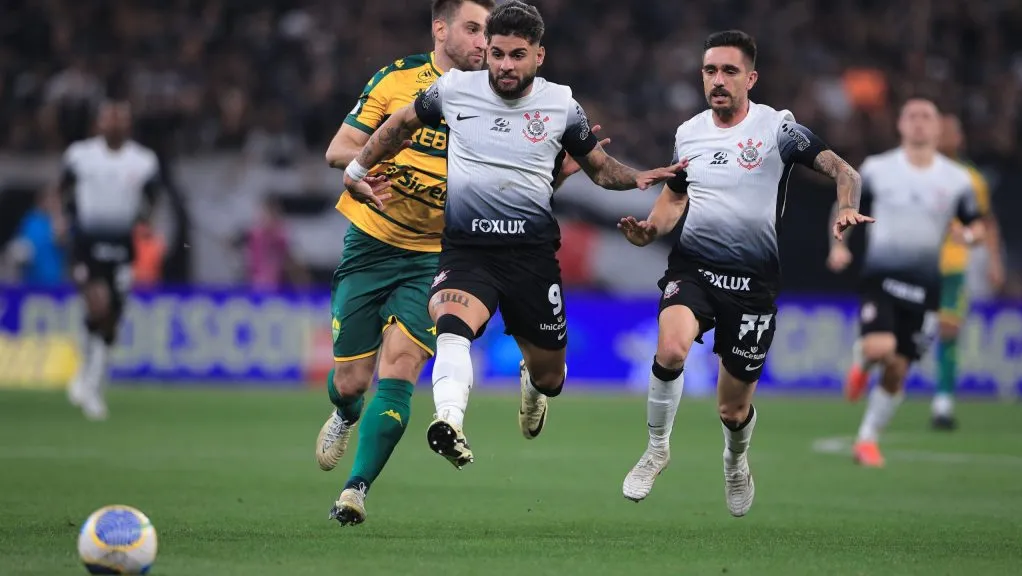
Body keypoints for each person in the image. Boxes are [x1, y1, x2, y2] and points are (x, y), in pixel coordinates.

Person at [342, 0, 681, 473]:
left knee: (551, 375)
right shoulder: (455, 89)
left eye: (516, 55)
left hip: (531, 259)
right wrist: (356, 169)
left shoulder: (561, 104)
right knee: (451, 328)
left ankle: (535, 385)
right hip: (467, 252)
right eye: (497, 53)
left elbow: (601, 170)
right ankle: (449, 420)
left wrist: (641, 177)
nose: (504, 65)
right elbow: (398, 125)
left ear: (538, 56)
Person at [319, 0, 607, 526]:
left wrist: (558, 174)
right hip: (373, 241)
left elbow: (519, 184)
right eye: (473, 30)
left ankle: (355, 491)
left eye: (489, 34)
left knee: (403, 363)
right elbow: (341, 149)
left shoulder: (503, 94)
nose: (483, 43)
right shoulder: (398, 82)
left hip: (442, 252)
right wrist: (376, 167)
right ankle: (344, 411)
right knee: (351, 382)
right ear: (440, 29)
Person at [615, 30, 871, 517]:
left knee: (731, 410)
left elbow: (845, 172)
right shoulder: (689, 133)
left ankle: (735, 461)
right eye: (710, 70)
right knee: (670, 348)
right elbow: (675, 197)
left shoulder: (778, 129)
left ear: (750, 78)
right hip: (694, 268)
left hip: (752, 284)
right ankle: (656, 449)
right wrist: (651, 229)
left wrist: (845, 208)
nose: (718, 80)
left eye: (729, 71)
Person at [827, 98, 985, 466]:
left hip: (926, 285)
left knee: (898, 370)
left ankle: (866, 440)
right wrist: (838, 245)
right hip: (881, 277)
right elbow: (844, 204)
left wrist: (971, 237)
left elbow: (977, 222)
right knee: (881, 349)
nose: (918, 123)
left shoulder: (957, 179)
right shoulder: (879, 168)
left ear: (937, 128)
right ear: (900, 125)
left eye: (926, 117)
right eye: (911, 116)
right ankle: (863, 359)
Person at [62, 99, 162, 421]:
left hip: (121, 243)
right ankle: (91, 386)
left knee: (111, 319)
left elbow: (151, 199)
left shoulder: (143, 160)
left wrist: (147, 220)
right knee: (98, 304)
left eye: (121, 118)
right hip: (87, 243)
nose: (114, 124)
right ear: (99, 123)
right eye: (109, 118)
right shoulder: (80, 156)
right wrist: (61, 220)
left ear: (128, 125)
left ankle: (88, 376)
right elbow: (63, 191)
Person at [929, 113, 1004, 430]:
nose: (947, 135)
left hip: (956, 263)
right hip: (916, 263)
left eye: (952, 130)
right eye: (942, 129)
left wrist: (995, 260)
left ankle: (943, 402)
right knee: (903, 336)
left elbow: (986, 222)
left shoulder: (971, 177)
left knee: (948, 329)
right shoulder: (914, 171)